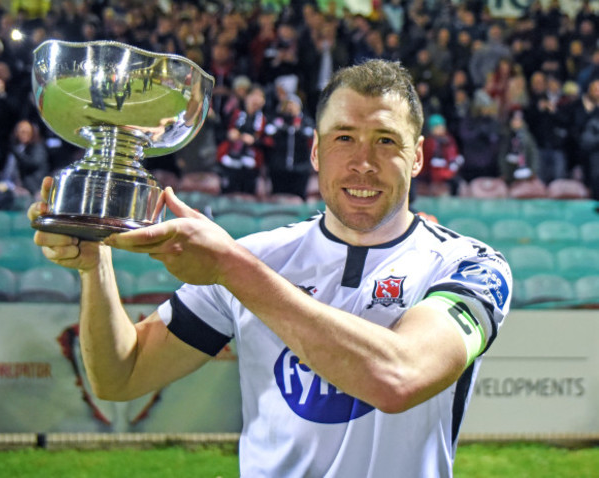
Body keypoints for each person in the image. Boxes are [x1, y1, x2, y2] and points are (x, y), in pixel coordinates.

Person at [28, 60, 512, 477]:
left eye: (386, 140)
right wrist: (95, 265)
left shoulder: (470, 266)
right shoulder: (257, 255)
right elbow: (121, 376)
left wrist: (232, 268)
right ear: (317, 152)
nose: (363, 162)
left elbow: (399, 378)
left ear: (419, 156)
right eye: (344, 137)